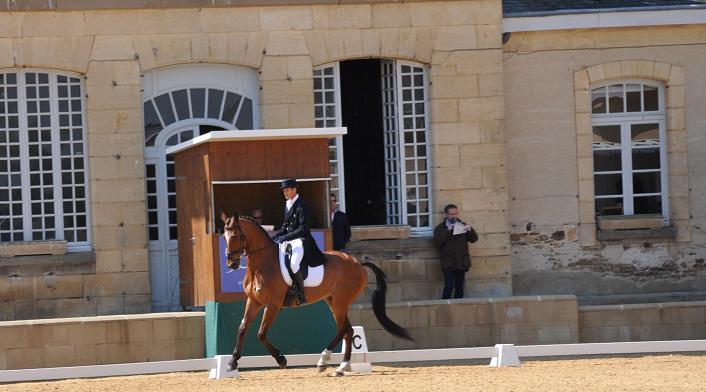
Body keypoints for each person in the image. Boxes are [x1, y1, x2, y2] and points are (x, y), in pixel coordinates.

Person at [271, 179, 327, 305]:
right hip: (290, 240)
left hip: (302, 240)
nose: (285, 193)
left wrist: (284, 238)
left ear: (294, 190)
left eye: (287, 190)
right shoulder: (287, 205)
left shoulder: (303, 206)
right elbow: (284, 228)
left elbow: (303, 229)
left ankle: (301, 294)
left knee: (294, 264)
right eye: (284, 191)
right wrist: (273, 238)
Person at [432, 203, 478, 299]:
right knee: (449, 286)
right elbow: (437, 243)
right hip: (448, 261)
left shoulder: (463, 225)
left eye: (455, 214)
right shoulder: (440, 228)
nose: (454, 216)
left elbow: (474, 239)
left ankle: (459, 308)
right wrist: (448, 230)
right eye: (451, 214)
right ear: (446, 214)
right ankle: (445, 307)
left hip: (461, 261)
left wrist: (470, 230)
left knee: (460, 287)